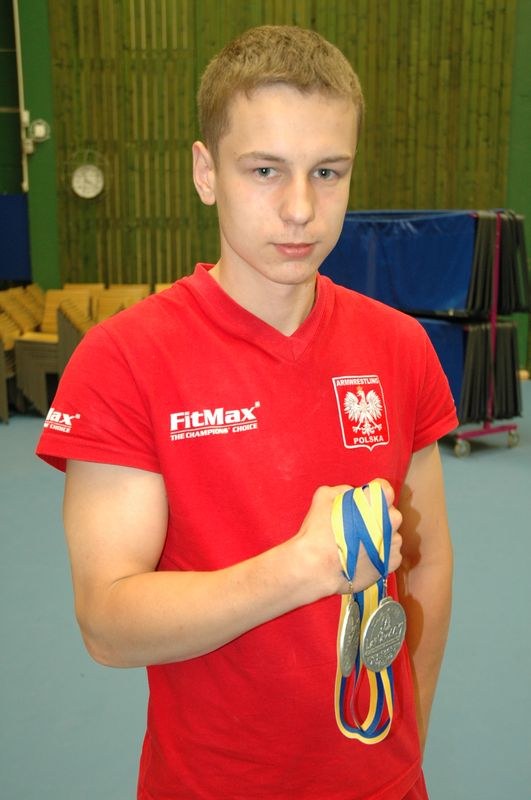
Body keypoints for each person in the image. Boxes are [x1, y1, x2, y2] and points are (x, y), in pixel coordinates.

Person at [36, 24, 457, 800]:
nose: (300, 208)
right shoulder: (125, 360)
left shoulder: (400, 348)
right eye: (265, 170)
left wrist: (406, 747)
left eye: (327, 172)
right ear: (206, 172)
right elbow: (107, 620)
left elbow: (425, 566)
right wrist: (296, 569)